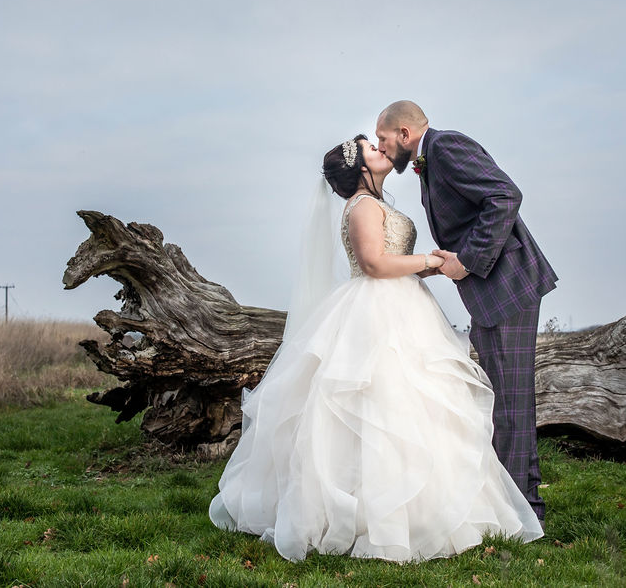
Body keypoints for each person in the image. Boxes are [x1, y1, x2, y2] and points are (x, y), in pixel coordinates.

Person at [208, 134, 543, 562]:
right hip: (373, 312)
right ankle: (371, 515)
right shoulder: (363, 207)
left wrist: (433, 265)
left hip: (406, 307)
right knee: (378, 405)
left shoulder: (379, 204)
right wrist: (431, 262)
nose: (381, 151)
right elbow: (373, 264)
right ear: (359, 169)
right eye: (370, 149)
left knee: (416, 406)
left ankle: (423, 509)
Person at [375, 101, 558, 524]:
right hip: (491, 291)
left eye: (384, 140)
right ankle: (524, 504)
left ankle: (520, 511)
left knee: (509, 404)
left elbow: (505, 195)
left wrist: (468, 260)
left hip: (509, 285)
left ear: (404, 134)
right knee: (505, 402)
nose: (383, 149)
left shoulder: (446, 147)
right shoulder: (432, 157)